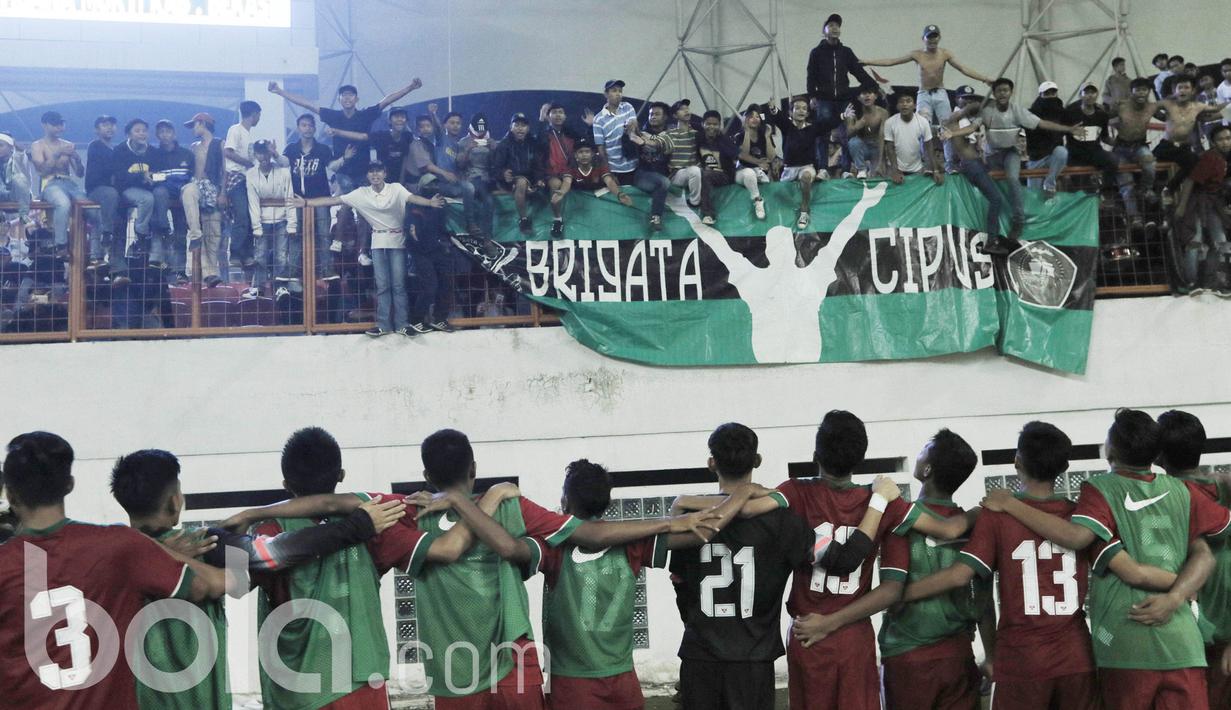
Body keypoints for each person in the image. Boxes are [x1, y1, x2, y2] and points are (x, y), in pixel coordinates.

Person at [393, 427, 726, 708]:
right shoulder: (629, 542)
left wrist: (463, 500)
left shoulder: (551, 546)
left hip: (513, 673)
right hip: (594, 671)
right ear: (473, 469)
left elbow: (510, 548)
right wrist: (713, 504)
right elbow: (707, 530)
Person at [901, 421, 1184, 710]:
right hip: (1076, 656)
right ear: (1063, 469)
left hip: (1022, 659)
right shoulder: (1081, 516)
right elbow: (1130, 570)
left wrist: (896, 593)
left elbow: (961, 576)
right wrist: (1183, 585)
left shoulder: (996, 516)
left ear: (1017, 462)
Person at [107, 448, 406, 709]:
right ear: (175, 502)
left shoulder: (104, 556)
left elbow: (247, 577)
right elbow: (275, 553)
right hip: (196, 699)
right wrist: (359, 525)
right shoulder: (206, 545)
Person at [216, 426, 482, 710]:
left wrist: (235, 529)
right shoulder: (378, 521)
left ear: (285, 484)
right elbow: (446, 549)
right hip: (363, 685)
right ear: (341, 475)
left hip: (298, 692)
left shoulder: (268, 532)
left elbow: (232, 587)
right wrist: (482, 502)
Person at [982, 408, 1231, 710]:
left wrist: (1010, 503)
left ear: (1110, 449)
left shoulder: (1099, 491)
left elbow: (1081, 540)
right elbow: (1206, 554)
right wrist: (1178, 594)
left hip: (1123, 640)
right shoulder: (1183, 491)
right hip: (1182, 639)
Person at [0, 431, 226, 709]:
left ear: (10, 493)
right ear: (70, 484)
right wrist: (159, 547)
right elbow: (211, 583)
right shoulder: (120, 546)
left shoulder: (6, 562)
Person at [872, 430, 992, 710]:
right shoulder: (975, 525)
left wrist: (898, 598)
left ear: (927, 470)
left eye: (924, 448)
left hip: (907, 655)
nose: (919, 450)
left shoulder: (900, 519)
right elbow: (985, 602)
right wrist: (992, 653)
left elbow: (890, 589)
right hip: (958, 656)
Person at [301, 161, 443, 336]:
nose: (375, 175)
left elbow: (413, 198)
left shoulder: (396, 188)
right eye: (371, 172)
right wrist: (306, 203)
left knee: (398, 285)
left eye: (378, 171)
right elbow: (333, 199)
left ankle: (402, 324)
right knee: (383, 286)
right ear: (368, 175)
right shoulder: (361, 193)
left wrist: (430, 203)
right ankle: (384, 325)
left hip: (397, 241)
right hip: (377, 243)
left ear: (384, 173)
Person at [1156, 410, 1231, 708]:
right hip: (1198, 635)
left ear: (1158, 454)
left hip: (1193, 637)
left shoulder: (1159, 496)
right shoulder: (1221, 486)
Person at [861, 24, 994, 172]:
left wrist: (985, 79)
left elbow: (963, 68)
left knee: (948, 126)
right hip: (924, 94)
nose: (932, 40)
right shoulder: (917, 55)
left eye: (935, 37)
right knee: (921, 126)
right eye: (929, 37)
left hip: (940, 93)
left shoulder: (945, 54)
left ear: (939, 38)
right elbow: (892, 61)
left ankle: (950, 164)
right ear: (923, 39)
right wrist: (868, 61)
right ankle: (927, 165)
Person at [971, 78, 1082, 245]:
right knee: (994, 190)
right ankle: (992, 230)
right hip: (992, 155)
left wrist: (1068, 129)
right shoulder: (987, 111)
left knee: (1013, 179)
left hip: (1010, 153)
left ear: (1011, 92)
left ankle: (1019, 219)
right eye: (999, 90)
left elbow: (1042, 123)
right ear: (994, 93)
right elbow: (972, 127)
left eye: (1006, 90)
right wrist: (953, 129)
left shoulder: (1018, 111)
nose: (1002, 93)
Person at [268, 78, 424, 193]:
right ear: (339, 99)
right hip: (342, 169)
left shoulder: (365, 115)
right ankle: (340, 237)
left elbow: (386, 100)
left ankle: (362, 238)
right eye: (344, 95)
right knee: (347, 201)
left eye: (351, 95)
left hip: (364, 170)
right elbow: (307, 103)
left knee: (366, 208)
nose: (347, 98)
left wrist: (410, 87)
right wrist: (280, 92)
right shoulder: (333, 116)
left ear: (356, 99)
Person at [806, 14, 879, 170]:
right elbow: (811, 75)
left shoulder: (846, 52)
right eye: (831, 25)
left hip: (844, 99)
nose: (834, 28)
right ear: (824, 30)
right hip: (824, 99)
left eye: (837, 25)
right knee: (822, 134)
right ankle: (823, 169)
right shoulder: (816, 52)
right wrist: (812, 96)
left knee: (847, 133)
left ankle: (846, 169)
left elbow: (858, 71)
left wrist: (873, 85)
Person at [940, 86, 1012, 241]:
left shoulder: (970, 119)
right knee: (996, 199)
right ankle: (992, 241)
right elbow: (956, 120)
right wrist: (971, 107)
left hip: (977, 162)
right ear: (956, 99)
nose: (968, 101)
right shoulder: (953, 117)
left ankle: (995, 237)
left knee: (996, 198)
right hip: (970, 163)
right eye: (964, 98)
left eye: (971, 98)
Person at [1173, 124, 1231, 293]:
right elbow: (1191, 181)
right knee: (1195, 241)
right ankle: (1190, 283)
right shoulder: (1210, 158)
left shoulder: (1224, 158)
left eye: (1228, 138)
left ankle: (1211, 281)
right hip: (1198, 203)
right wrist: (1182, 207)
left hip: (1215, 204)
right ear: (1213, 142)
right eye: (1221, 139)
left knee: (1219, 241)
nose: (1225, 142)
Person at [1154, 76, 1229, 203]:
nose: (1183, 90)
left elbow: (1215, 110)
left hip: (1183, 147)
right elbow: (1149, 108)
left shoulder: (1198, 106)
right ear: (1174, 90)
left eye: (1186, 87)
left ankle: (1169, 189)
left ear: (1193, 90)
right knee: (1152, 172)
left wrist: (1229, 105)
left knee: (1195, 162)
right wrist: (1162, 116)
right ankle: (1155, 197)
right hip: (1166, 146)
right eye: (1180, 87)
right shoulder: (1167, 103)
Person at [282, 113, 338, 280]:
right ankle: (293, 270)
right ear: (299, 128)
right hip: (296, 198)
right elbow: (283, 163)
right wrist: (273, 154)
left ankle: (326, 269)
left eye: (310, 125)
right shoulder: (291, 148)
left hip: (320, 198)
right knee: (295, 235)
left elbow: (332, 166)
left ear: (314, 128)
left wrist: (344, 159)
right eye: (304, 125)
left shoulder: (323, 149)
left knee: (323, 235)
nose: (307, 128)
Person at [30, 111, 87, 261]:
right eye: (55, 124)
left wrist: (76, 157)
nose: (58, 127)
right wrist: (57, 153)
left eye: (61, 124)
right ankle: (61, 245)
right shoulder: (37, 145)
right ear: (45, 125)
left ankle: (97, 250)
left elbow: (80, 173)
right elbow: (42, 171)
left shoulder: (68, 144)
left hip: (69, 183)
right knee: (63, 204)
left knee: (92, 208)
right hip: (49, 182)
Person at [246, 140, 299, 294]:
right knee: (260, 255)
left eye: (265, 152)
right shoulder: (251, 174)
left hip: (282, 219)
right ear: (255, 154)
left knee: (281, 255)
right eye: (259, 152)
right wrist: (256, 226)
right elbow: (253, 202)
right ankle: (259, 287)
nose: (263, 156)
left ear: (270, 153)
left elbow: (289, 197)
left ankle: (280, 286)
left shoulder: (283, 172)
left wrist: (292, 224)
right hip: (262, 221)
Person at [551, 137, 634, 234]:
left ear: (593, 154)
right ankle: (557, 220)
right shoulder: (571, 165)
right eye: (580, 152)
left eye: (587, 151)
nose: (584, 155)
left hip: (598, 191)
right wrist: (562, 192)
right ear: (576, 155)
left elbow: (609, 181)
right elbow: (567, 182)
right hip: (579, 195)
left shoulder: (599, 163)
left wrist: (619, 194)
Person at [180, 112, 226, 287]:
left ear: (202, 124)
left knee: (213, 235)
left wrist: (223, 193)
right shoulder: (194, 146)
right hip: (197, 188)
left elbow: (225, 170)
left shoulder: (219, 144)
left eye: (194, 125)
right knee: (199, 232)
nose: (193, 128)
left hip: (213, 190)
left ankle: (211, 275)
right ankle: (209, 273)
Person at [768, 96, 826, 229]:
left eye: (804, 108)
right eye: (797, 108)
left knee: (806, 177)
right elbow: (779, 118)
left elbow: (828, 124)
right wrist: (773, 109)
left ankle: (804, 212)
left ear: (807, 113)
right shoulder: (787, 127)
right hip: (789, 170)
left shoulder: (812, 129)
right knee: (779, 195)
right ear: (790, 112)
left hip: (807, 167)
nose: (801, 111)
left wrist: (841, 116)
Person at [696, 110, 763, 226]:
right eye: (708, 124)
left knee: (707, 174)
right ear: (703, 124)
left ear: (720, 126)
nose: (712, 127)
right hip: (706, 175)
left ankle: (709, 215)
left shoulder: (723, 140)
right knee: (701, 173)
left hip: (725, 175)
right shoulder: (698, 139)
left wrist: (757, 161)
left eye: (715, 124)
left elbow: (740, 154)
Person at [1113, 78, 1163, 228]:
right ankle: (1134, 217)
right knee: (1126, 185)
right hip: (1121, 148)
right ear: (1131, 91)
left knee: (1150, 162)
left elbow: (1168, 117)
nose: (1141, 93)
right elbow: (1103, 118)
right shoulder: (1121, 105)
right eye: (1138, 90)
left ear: (1148, 92)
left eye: (1144, 90)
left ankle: (1145, 189)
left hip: (1139, 146)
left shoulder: (1152, 107)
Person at [623, 101, 676, 231]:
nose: (652, 116)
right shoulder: (641, 132)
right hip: (642, 176)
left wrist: (639, 139)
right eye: (651, 114)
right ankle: (655, 217)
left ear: (665, 118)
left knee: (664, 182)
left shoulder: (670, 135)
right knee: (663, 182)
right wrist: (627, 135)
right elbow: (628, 153)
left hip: (663, 174)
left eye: (657, 114)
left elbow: (657, 144)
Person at [221, 100, 262, 271]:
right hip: (236, 177)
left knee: (251, 216)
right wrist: (248, 163)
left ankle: (247, 253)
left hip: (248, 179)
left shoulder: (248, 134)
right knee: (242, 216)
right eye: (259, 115)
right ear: (254, 114)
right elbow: (228, 152)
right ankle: (236, 253)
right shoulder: (235, 130)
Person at [150, 119, 193, 278]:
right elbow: (152, 177)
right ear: (157, 135)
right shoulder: (153, 154)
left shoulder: (187, 154)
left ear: (174, 134)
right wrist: (165, 179)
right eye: (161, 132)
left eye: (167, 131)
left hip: (181, 197)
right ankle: (164, 229)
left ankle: (180, 271)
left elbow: (192, 177)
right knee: (159, 195)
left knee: (181, 233)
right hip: (163, 196)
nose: (165, 135)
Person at [493, 112, 544, 234]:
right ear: (511, 127)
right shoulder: (503, 145)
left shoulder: (533, 143)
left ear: (528, 128)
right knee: (521, 182)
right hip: (511, 181)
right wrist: (503, 173)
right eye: (517, 125)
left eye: (523, 125)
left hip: (531, 180)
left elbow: (538, 165)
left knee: (547, 186)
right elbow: (495, 168)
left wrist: (540, 179)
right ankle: (524, 220)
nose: (520, 128)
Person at [883, 93, 944, 186]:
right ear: (897, 106)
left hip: (917, 168)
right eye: (901, 102)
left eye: (908, 101)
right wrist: (895, 170)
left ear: (915, 105)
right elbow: (890, 148)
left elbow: (929, 147)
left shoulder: (923, 122)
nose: (904, 104)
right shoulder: (890, 122)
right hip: (896, 167)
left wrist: (935, 170)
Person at [1023, 82, 1071, 197]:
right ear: (1040, 94)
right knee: (1033, 196)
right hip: (1036, 159)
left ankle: (1049, 184)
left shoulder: (1063, 113)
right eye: (1047, 93)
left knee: (1062, 151)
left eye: (1053, 92)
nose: (1050, 95)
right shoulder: (1030, 114)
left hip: (1054, 158)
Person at [84, 115, 119, 269]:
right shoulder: (95, 146)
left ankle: (111, 260)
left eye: (111, 124)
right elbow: (108, 168)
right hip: (96, 190)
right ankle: (102, 242)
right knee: (100, 219)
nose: (109, 127)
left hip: (113, 193)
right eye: (105, 125)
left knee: (111, 215)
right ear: (96, 129)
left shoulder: (116, 149)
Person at [732, 104, 775, 219]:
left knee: (765, 181)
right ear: (745, 119)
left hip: (758, 172)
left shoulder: (763, 135)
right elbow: (743, 155)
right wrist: (746, 132)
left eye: (757, 116)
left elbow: (771, 157)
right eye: (751, 116)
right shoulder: (739, 136)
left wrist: (767, 137)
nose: (755, 119)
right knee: (749, 173)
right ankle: (757, 201)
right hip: (741, 172)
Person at [592, 79, 639, 185]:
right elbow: (601, 148)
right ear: (606, 94)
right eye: (614, 90)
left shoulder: (628, 107)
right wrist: (608, 172)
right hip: (614, 169)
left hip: (633, 165)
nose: (618, 94)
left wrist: (632, 126)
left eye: (620, 91)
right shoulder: (598, 119)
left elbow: (635, 127)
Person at [842, 86, 888, 181]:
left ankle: (873, 169)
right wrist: (856, 126)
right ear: (859, 98)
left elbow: (882, 137)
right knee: (853, 142)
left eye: (870, 93)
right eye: (863, 93)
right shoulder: (853, 112)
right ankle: (861, 169)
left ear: (875, 96)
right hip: (862, 146)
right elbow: (848, 135)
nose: (867, 95)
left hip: (877, 147)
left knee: (878, 176)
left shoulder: (883, 113)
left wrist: (880, 162)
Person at [666, 100, 704, 207]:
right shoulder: (669, 134)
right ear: (675, 115)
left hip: (695, 173)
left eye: (687, 108)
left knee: (699, 172)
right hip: (676, 175)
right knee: (694, 171)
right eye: (682, 109)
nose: (686, 110)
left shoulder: (697, 134)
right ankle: (695, 202)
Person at [0, 133, 33, 234]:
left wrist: (17, 147)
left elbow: (21, 154)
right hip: (2, 196)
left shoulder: (19, 159)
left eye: (1, 145)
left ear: (11, 147)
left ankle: (24, 217)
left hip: (18, 195)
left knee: (18, 178)